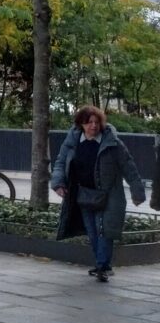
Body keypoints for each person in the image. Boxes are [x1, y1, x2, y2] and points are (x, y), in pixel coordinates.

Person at [51, 106, 145, 282]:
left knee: (104, 231)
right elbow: (60, 162)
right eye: (89, 122)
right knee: (93, 232)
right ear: (81, 124)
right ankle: (102, 264)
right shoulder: (72, 141)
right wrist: (58, 183)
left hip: (108, 195)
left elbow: (129, 167)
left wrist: (137, 192)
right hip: (83, 194)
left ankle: (102, 266)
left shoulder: (112, 143)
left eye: (96, 122)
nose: (93, 126)